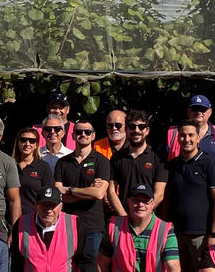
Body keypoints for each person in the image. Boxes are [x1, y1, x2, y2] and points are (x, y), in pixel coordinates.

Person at [163, 119, 215, 272]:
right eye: (183, 135)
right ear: (177, 137)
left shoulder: (210, 164)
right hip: (175, 234)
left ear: (198, 137)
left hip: (201, 234)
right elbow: (167, 201)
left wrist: (214, 233)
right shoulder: (172, 166)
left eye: (191, 135)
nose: (187, 139)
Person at [54, 118, 112, 260]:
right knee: (67, 270)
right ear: (73, 135)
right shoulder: (62, 162)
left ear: (93, 135)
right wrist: (88, 191)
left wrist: (69, 189)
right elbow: (57, 194)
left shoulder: (102, 161)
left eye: (87, 132)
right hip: (67, 225)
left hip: (92, 227)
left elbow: (98, 194)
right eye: (79, 132)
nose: (83, 135)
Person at [108, 109, 167, 216]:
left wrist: (143, 213)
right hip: (123, 218)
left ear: (147, 130)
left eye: (141, 127)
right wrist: (125, 217)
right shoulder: (117, 158)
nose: (137, 130)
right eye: (132, 126)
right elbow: (111, 191)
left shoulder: (158, 158)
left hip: (148, 219)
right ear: (126, 130)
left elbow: (159, 194)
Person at [164, 94, 215, 160]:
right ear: (188, 111)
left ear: (210, 112)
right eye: (195, 109)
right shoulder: (173, 133)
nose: (198, 112)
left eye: (203, 109)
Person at [13, 126, 54, 216]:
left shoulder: (43, 167)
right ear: (18, 142)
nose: (27, 144)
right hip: (9, 217)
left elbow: (48, 196)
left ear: (36, 145)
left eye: (32, 141)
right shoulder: (10, 165)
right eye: (23, 140)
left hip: (33, 218)